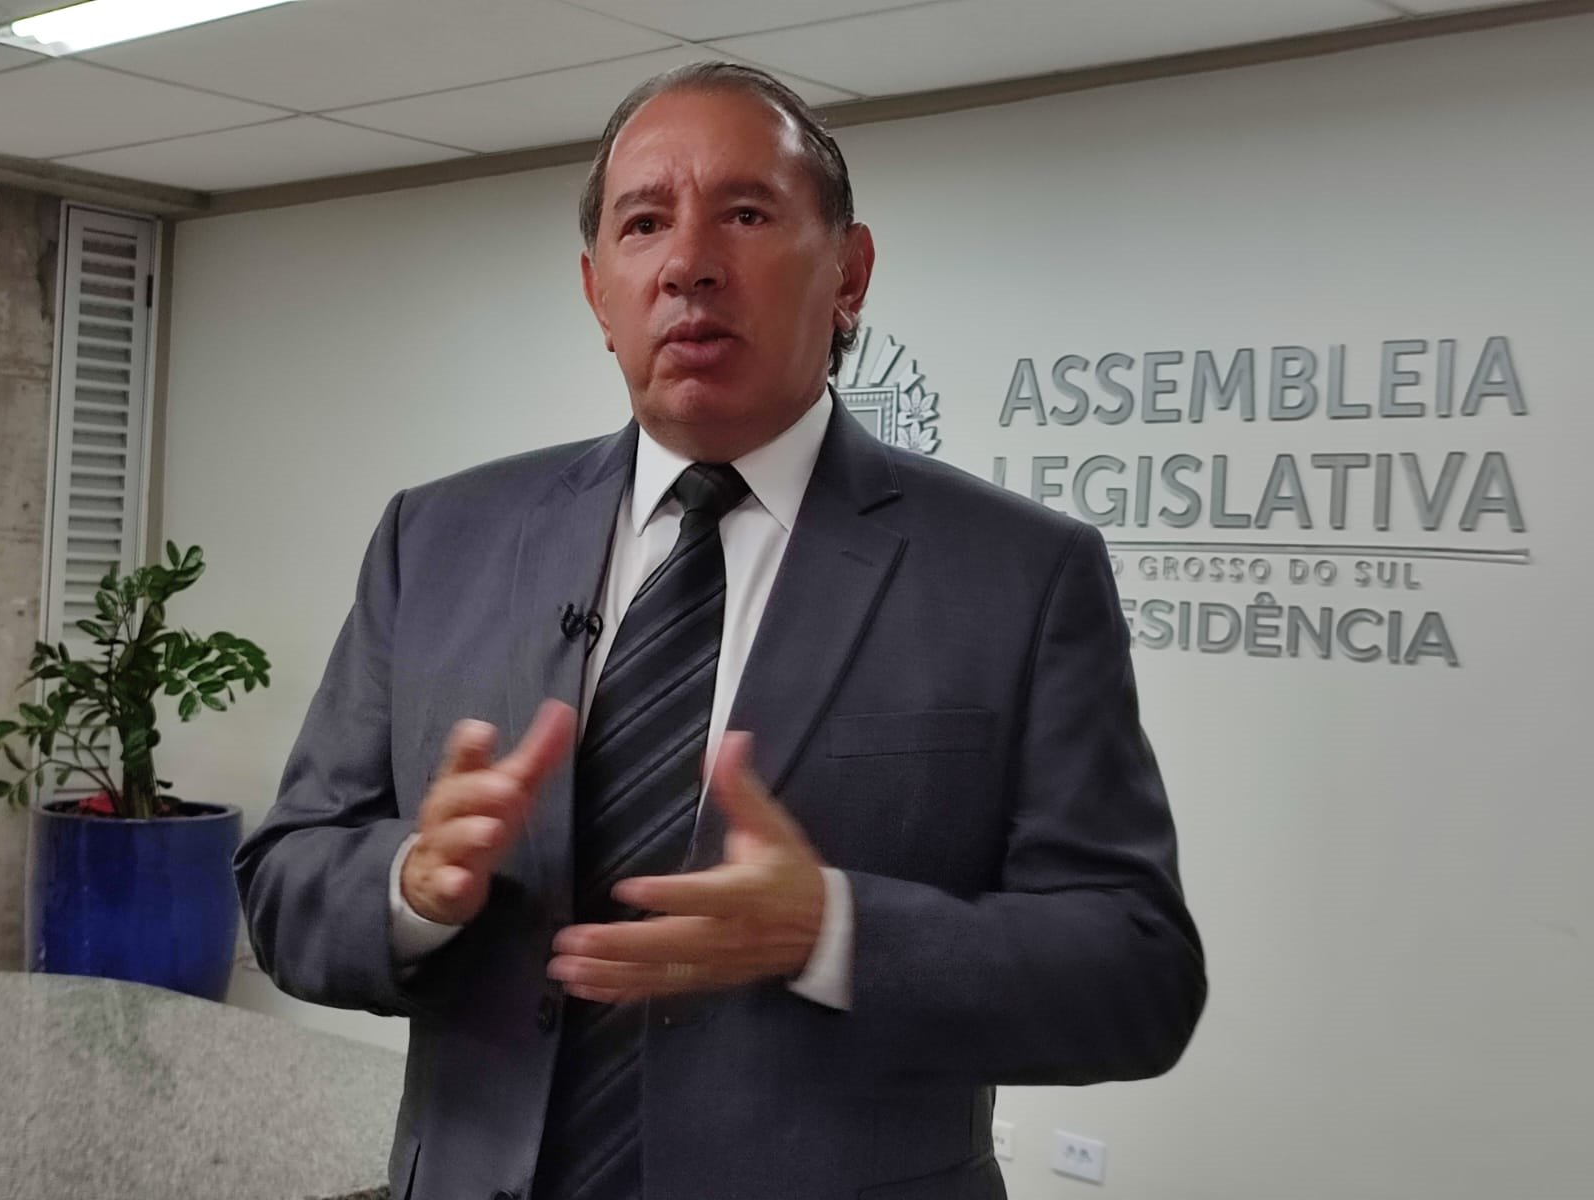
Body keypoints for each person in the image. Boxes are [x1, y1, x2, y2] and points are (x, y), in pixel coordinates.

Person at [235, 62, 1205, 1200]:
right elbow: (286, 881)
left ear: (848, 275)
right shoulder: (437, 539)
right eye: (644, 223)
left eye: (745, 214)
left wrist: (831, 930)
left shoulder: (1017, 574)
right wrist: (413, 886)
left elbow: (1135, 974)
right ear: (598, 292)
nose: (688, 263)